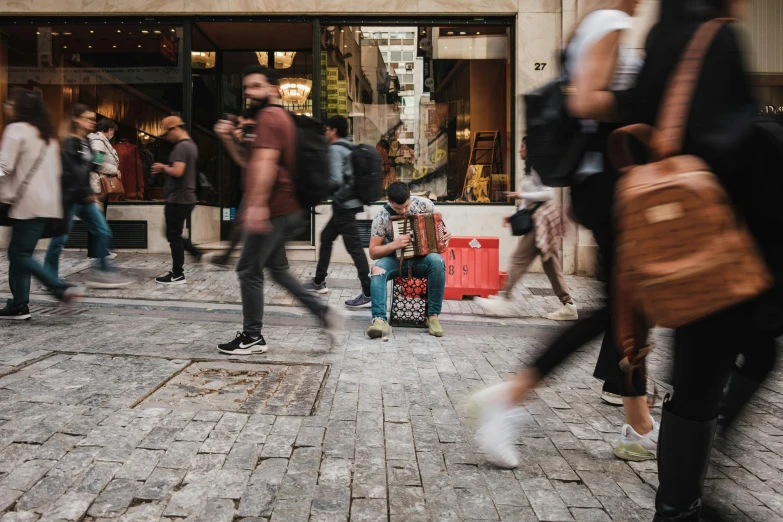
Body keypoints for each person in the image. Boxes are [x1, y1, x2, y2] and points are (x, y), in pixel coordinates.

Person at [573, 0, 770, 519]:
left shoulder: (662, 38)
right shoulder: (716, 37)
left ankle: (679, 503)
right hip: (717, 241)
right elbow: (734, 146)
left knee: (694, 385)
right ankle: (684, 501)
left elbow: (615, 107)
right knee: (737, 364)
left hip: (668, 242)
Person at [468, 0, 656, 470]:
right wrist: (653, 103)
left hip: (610, 186)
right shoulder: (610, 23)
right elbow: (586, 100)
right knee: (620, 312)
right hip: (613, 186)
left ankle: (639, 428)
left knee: (629, 314)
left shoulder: (603, 24)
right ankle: (510, 396)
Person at [216, 65, 343, 356]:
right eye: (247, 87)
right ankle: (324, 313)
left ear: (273, 90)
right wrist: (229, 139)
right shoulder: (271, 118)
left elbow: (265, 165)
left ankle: (252, 337)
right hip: (284, 208)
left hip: (274, 208)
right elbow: (249, 163)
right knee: (277, 270)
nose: (250, 92)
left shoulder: (270, 117)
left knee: (248, 269)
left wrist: (257, 206)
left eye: (256, 86)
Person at [474, 137, 577, 321]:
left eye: (522, 146)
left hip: (541, 221)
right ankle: (568, 304)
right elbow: (528, 203)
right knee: (551, 264)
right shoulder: (530, 170)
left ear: (529, 149)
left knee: (518, 259)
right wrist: (514, 215)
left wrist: (521, 194)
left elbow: (548, 193)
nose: (519, 150)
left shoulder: (538, 168)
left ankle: (503, 299)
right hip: (537, 219)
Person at [0, 89, 82, 319]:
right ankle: (18, 304)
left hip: (25, 203)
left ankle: (60, 288)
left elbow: (4, 167)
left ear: (21, 107)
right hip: (46, 204)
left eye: (10, 103)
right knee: (19, 252)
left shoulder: (16, 130)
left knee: (19, 254)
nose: (7, 106)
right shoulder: (47, 137)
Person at [44, 105, 132, 289]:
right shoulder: (69, 142)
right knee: (59, 239)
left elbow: (87, 169)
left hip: (84, 196)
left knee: (102, 231)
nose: (92, 121)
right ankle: (49, 278)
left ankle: (103, 273)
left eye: (93, 118)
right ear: (77, 119)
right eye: (88, 118)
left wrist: (90, 192)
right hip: (70, 197)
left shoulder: (84, 141)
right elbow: (74, 171)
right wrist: (112, 171)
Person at [365, 181, 451, 339]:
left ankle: (432, 317)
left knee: (438, 262)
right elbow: (373, 252)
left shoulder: (425, 205)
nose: (404, 210)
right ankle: (379, 320)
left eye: (406, 205)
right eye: (398, 208)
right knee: (377, 269)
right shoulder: (382, 216)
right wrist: (394, 245)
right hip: (395, 261)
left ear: (410, 197)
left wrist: (446, 235)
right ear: (388, 200)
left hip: (422, 260)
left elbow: (441, 229)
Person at [303, 115, 372, 308]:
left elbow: (335, 180)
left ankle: (368, 292)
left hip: (344, 207)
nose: (325, 132)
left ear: (333, 130)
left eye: (327, 129)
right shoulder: (349, 147)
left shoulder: (335, 149)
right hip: (347, 205)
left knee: (355, 249)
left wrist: (317, 188)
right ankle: (319, 281)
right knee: (326, 237)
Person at [152, 115, 205, 285]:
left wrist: (162, 168)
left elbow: (177, 171)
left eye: (167, 133)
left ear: (174, 129)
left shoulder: (181, 147)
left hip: (179, 198)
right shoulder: (191, 145)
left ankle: (177, 274)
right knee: (172, 234)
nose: (167, 137)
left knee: (173, 235)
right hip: (185, 197)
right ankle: (195, 253)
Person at [210, 108, 258, 267]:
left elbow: (245, 160)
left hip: (262, 188)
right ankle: (227, 257)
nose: (239, 127)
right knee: (240, 222)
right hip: (255, 188)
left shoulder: (256, 133)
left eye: (241, 123)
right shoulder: (251, 135)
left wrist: (229, 138)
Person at [87, 118, 120, 261]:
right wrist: (114, 170)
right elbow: (96, 162)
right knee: (97, 217)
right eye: (113, 130)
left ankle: (98, 250)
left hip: (99, 184)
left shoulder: (101, 141)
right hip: (96, 185)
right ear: (109, 129)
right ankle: (96, 252)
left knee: (98, 217)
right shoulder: (98, 142)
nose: (113, 133)